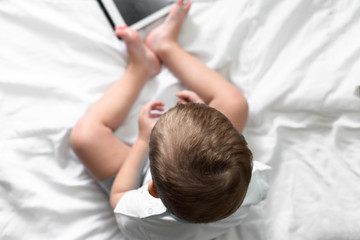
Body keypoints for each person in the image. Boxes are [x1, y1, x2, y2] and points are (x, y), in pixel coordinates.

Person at [70, 0, 270, 239]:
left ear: (153, 188)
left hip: (136, 178)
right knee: (235, 103)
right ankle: (166, 45)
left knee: (85, 137)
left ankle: (140, 69)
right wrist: (205, 114)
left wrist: (143, 141)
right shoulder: (250, 184)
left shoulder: (141, 216)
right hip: (207, 188)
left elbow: (119, 195)